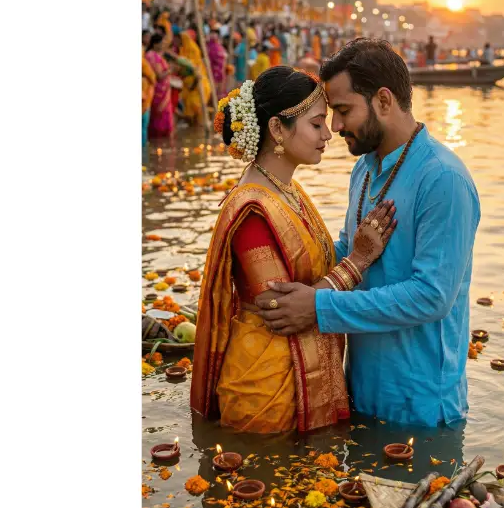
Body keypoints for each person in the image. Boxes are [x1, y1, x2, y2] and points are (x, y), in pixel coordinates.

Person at [259, 38, 480, 428]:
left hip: (422, 405)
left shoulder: (442, 180)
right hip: (360, 390)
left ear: (382, 100)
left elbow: (431, 297)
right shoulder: (364, 170)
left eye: (343, 111)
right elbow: (350, 249)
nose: (336, 127)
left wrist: (318, 307)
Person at [190, 66, 399, 433]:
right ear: (276, 129)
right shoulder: (253, 210)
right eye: (316, 124)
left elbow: (310, 268)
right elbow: (280, 308)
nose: (327, 135)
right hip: (268, 391)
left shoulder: (287, 191)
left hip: (295, 377)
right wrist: (359, 260)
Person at [145, 33, 174, 139]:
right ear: (155, 44)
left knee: (162, 118)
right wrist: (171, 70)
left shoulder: (155, 55)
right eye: (161, 43)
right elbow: (160, 75)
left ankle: (160, 143)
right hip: (159, 92)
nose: (163, 45)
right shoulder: (152, 56)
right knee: (160, 118)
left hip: (162, 92)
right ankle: (159, 142)